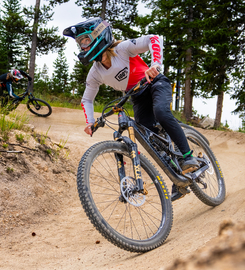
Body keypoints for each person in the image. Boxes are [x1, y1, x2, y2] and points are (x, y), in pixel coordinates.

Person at [63, 17, 199, 201]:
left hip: (154, 83)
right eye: (81, 43)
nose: (84, 46)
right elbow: (87, 98)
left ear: (98, 35)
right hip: (137, 96)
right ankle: (178, 177)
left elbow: (154, 39)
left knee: (161, 111)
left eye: (86, 40)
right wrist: (90, 122)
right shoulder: (95, 72)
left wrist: (155, 65)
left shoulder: (122, 49)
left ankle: (188, 156)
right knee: (147, 137)